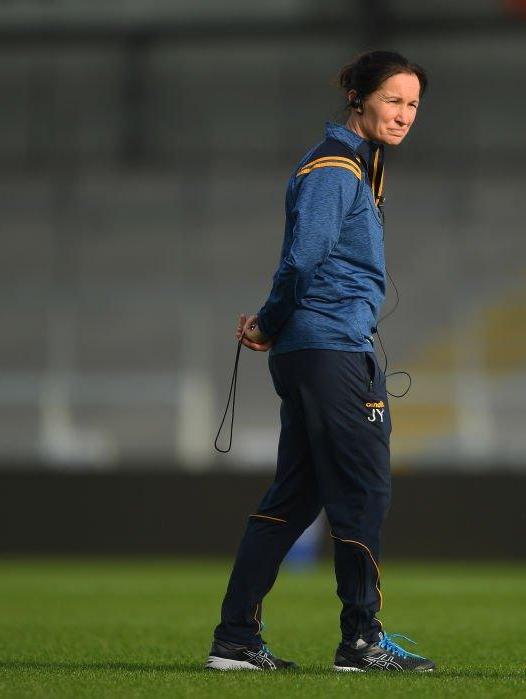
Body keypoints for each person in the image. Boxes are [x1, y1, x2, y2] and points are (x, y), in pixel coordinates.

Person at [204, 50, 435, 672]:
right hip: (332, 350)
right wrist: (271, 321)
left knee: (293, 500)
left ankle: (235, 641)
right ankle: (360, 641)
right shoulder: (336, 169)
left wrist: (279, 326)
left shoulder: (353, 165)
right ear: (357, 99)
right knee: (363, 492)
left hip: (319, 350)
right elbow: (304, 260)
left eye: (414, 103)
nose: (405, 114)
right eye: (393, 100)